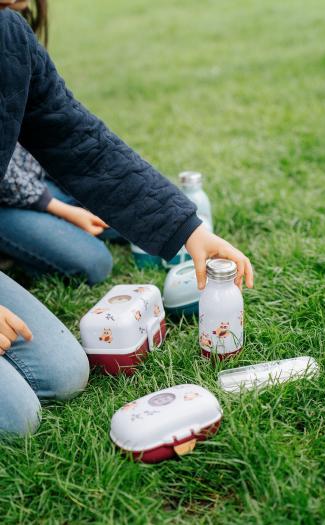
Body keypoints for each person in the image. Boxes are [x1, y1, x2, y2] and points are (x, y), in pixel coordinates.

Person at [0, 3, 254, 437]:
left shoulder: (9, 34)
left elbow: (79, 141)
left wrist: (188, 228)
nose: (30, 3)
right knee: (17, 420)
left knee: (63, 375)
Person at [0, 0, 124, 285]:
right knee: (93, 263)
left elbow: (56, 125)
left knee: (127, 216)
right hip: (7, 199)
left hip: (36, 179)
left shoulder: (14, 23)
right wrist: (58, 208)